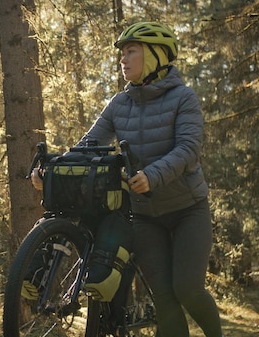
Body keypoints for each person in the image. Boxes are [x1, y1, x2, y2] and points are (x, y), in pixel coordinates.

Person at [31, 21, 223, 336]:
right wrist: (51, 170)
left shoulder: (183, 98)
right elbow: (87, 146)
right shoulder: (120, 104)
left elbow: (189, 149)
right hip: (146, 217)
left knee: (187, 289)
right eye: (122, 53)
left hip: (188, 209)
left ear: (157, 55)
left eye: (131, 51)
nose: (123, 59)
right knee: (164, 297)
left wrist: (153, 175)